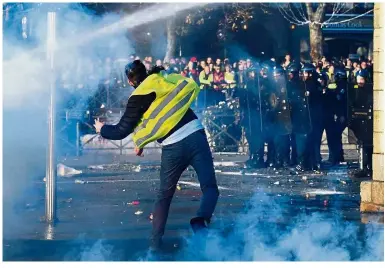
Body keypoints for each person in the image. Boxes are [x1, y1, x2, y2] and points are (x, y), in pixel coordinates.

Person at [94, 60, 219, 250]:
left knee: (164, 196)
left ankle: (155, 245)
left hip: (173, 147)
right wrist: (140, 141)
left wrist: (102, 129)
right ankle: (201, 220)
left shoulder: (137, 97)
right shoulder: (162, 78)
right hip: (195, 135)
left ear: (129, 81)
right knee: (210, 188)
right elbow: (155, 117)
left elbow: (121, 130)